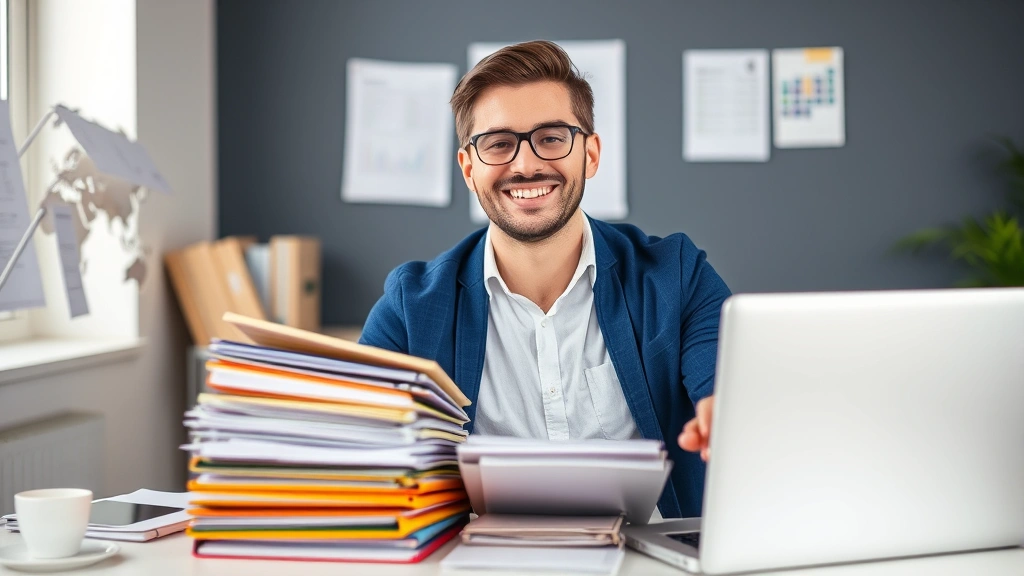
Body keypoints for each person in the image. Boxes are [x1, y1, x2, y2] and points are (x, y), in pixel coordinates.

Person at [359, 40, 729, 519]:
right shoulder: (411, 307)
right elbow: (362, 453)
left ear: (590, 154)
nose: (526, 164)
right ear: (469, 169)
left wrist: (728, 411)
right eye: (498, 144)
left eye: (552, 137)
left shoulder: (677, 275)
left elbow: (727, 387)